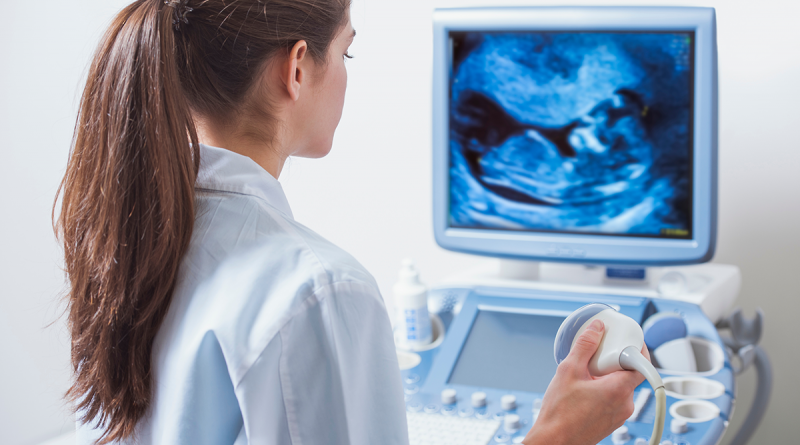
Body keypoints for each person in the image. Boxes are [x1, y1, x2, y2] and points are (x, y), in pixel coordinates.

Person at [55, 1, 647, 444]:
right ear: (296, 69)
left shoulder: (130, 238)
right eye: (345, 52)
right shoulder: (317, 292)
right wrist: (557, 434)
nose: (345, 73)